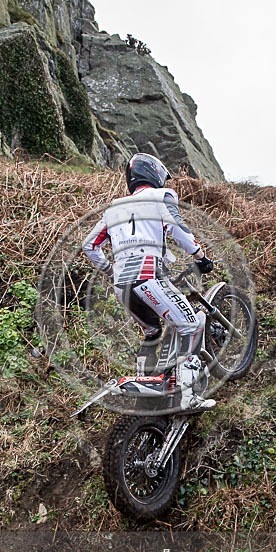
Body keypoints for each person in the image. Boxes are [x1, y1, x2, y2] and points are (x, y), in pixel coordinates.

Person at [82, 152, 216, 411]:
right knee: (191, 325)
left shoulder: (113, 209)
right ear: (155, 173)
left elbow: (89, 246)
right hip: (148, 276)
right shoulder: (162, 196)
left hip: (122, 285)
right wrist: (200, 256)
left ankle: (146, 383)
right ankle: (188, 396)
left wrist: (110, 270)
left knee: (152, 331)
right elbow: (178, 229)